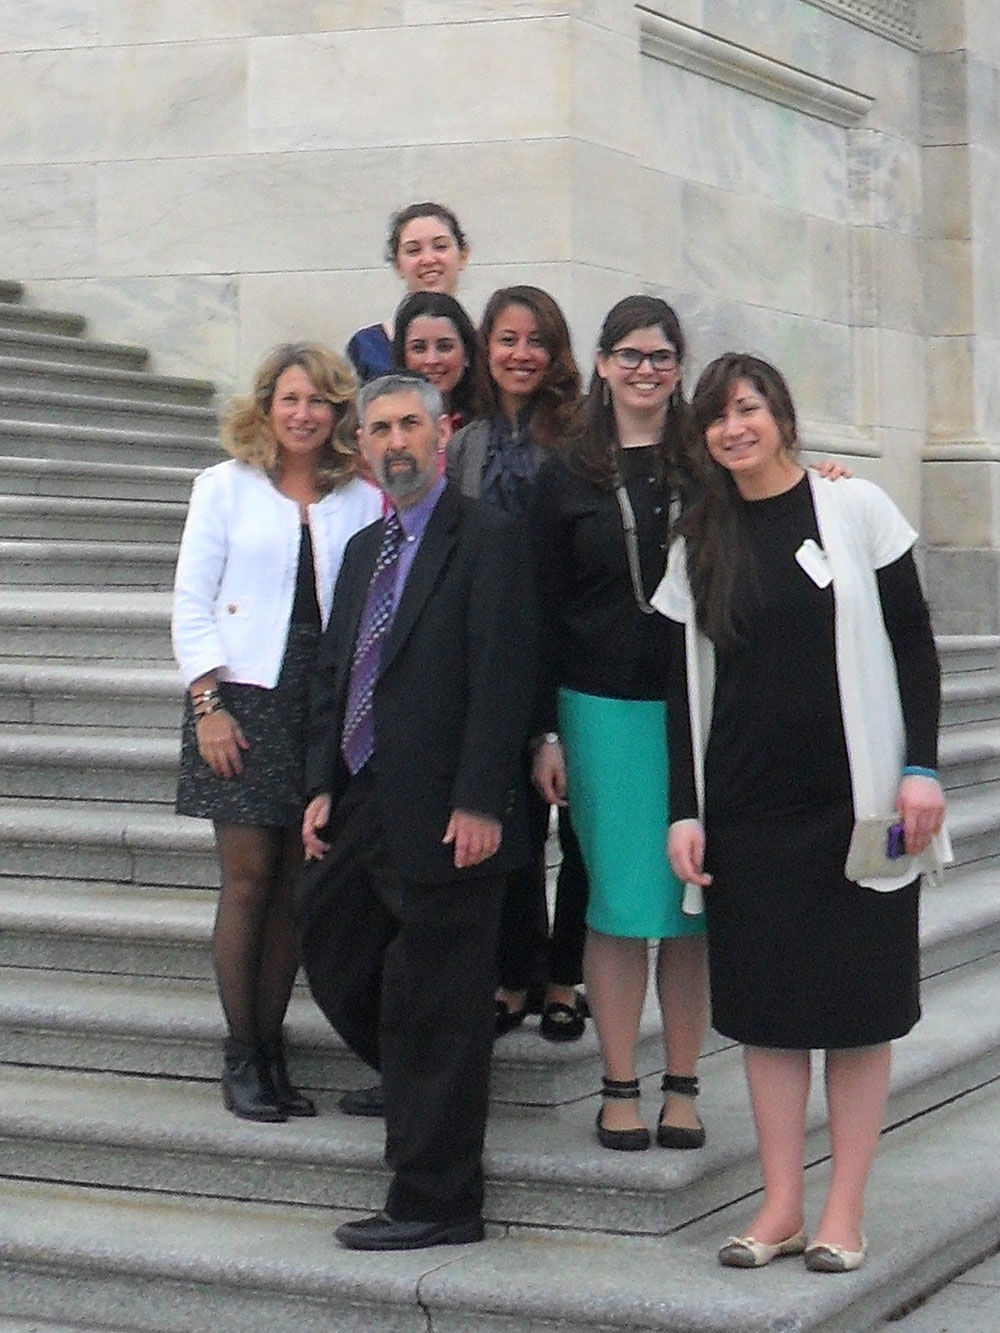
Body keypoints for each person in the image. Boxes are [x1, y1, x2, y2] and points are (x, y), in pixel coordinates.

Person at [660, 353, 946, 1271]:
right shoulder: (697, 536)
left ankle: (844, 1212)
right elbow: (681, 688)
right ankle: (780, 1204)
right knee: (770, 1016)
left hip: (857, 807)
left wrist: (921, 769)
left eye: (748, 409)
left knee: (859, 1012)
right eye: (717, 417)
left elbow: (913, 644)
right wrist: (684, 811)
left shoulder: (853, 508)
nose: (733, 428)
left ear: (782, 413)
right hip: (748, 812)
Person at [297, 371, 535, 1251]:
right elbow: (336, 673)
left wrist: (482, 799)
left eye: (410, 424)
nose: (395, 442)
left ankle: (437, 1199)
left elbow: (504, 676)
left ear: (442, 435)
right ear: (361, 447)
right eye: (379, 429)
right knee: (330, 940)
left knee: (436, 998)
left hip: (449, 809)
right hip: (364, 794)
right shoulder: (365, 548)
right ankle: (425, 1079)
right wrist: (321, 784)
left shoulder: (488, 539)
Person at [171, 343, 382, 1123]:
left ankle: (275, 1044)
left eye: (319, 402)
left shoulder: (356, 496)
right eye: (290, 399)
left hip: (321, 700)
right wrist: (208, 705)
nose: (303, 414)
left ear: (337, 414)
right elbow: (191, 600)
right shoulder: (222, 488)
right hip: (240, 697)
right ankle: (243, 1050)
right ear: (266, 405)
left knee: (299, 878)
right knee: (250, 876)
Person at [530, 295, 709, 1152]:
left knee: (689, 904)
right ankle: (618, 1083)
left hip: (700, 707)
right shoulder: (565, 471)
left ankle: (683, 1081)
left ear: (679, 367)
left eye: (662, 356)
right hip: (598, 710)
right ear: (601, 364)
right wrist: (544, 733)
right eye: (630, 355)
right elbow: (538, 610)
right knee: (614, 901)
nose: (646, 369)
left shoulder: (709, 460)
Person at [448, 284, 590, 1042]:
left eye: (536, 339)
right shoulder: (464, 442)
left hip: (572, 644)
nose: (521, 353)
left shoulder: (579, 434)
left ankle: (565, 976)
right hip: (496, 649)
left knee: (577, 828)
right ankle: (514, 972)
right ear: (487, 348)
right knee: (513, 822)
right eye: (506, 338)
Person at [346, 202, 469, 383]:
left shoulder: (486, 342)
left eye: (440, 246)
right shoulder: (367, 347)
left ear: (463, 255)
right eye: (413, 250)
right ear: (397, 265)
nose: (428, 259)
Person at [391, 290, 491, 434]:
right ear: (402, 355)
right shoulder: (387, 425)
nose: (432, 360)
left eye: (445, 347)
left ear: (467, 353)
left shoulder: (492, 423)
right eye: (419, 348)